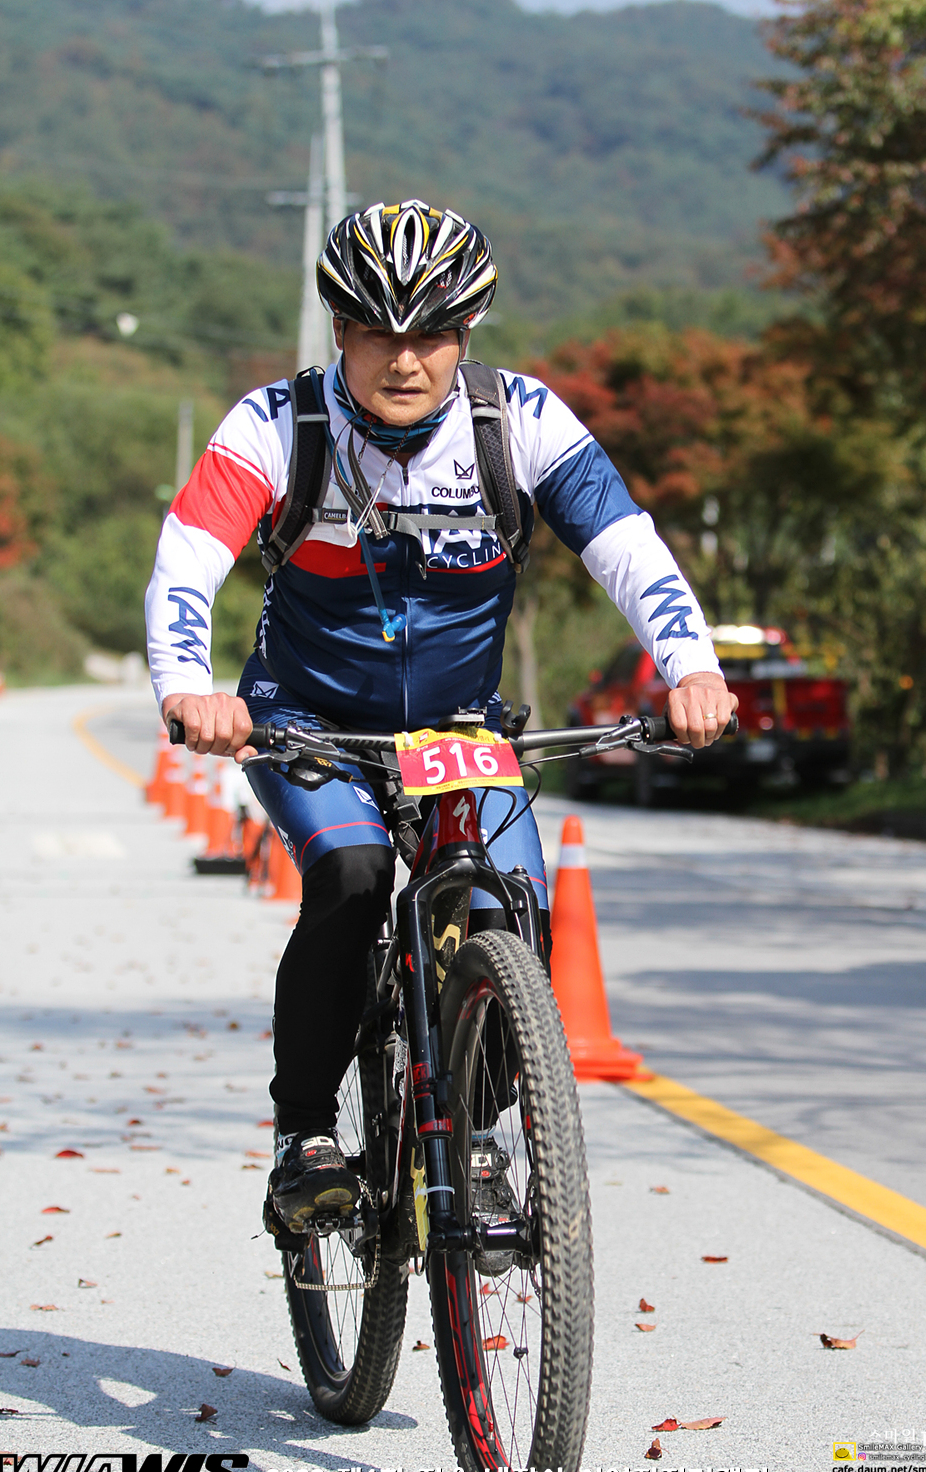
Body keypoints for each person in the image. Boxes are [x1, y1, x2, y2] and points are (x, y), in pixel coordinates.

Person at [145, 199, 737, 1234]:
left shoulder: (519, 423)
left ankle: (477, 1129)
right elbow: (187, 558)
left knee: (513, 903)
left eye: (432, 332)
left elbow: (627, 548)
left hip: (459, 726)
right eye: (378, 332)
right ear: (340, 330)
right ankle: (306, 1136)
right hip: (307, 718)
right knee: (352, 873)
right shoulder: (279, 427)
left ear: (467, 333)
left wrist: (691, 668)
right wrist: (189, 687)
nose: (405, 359)